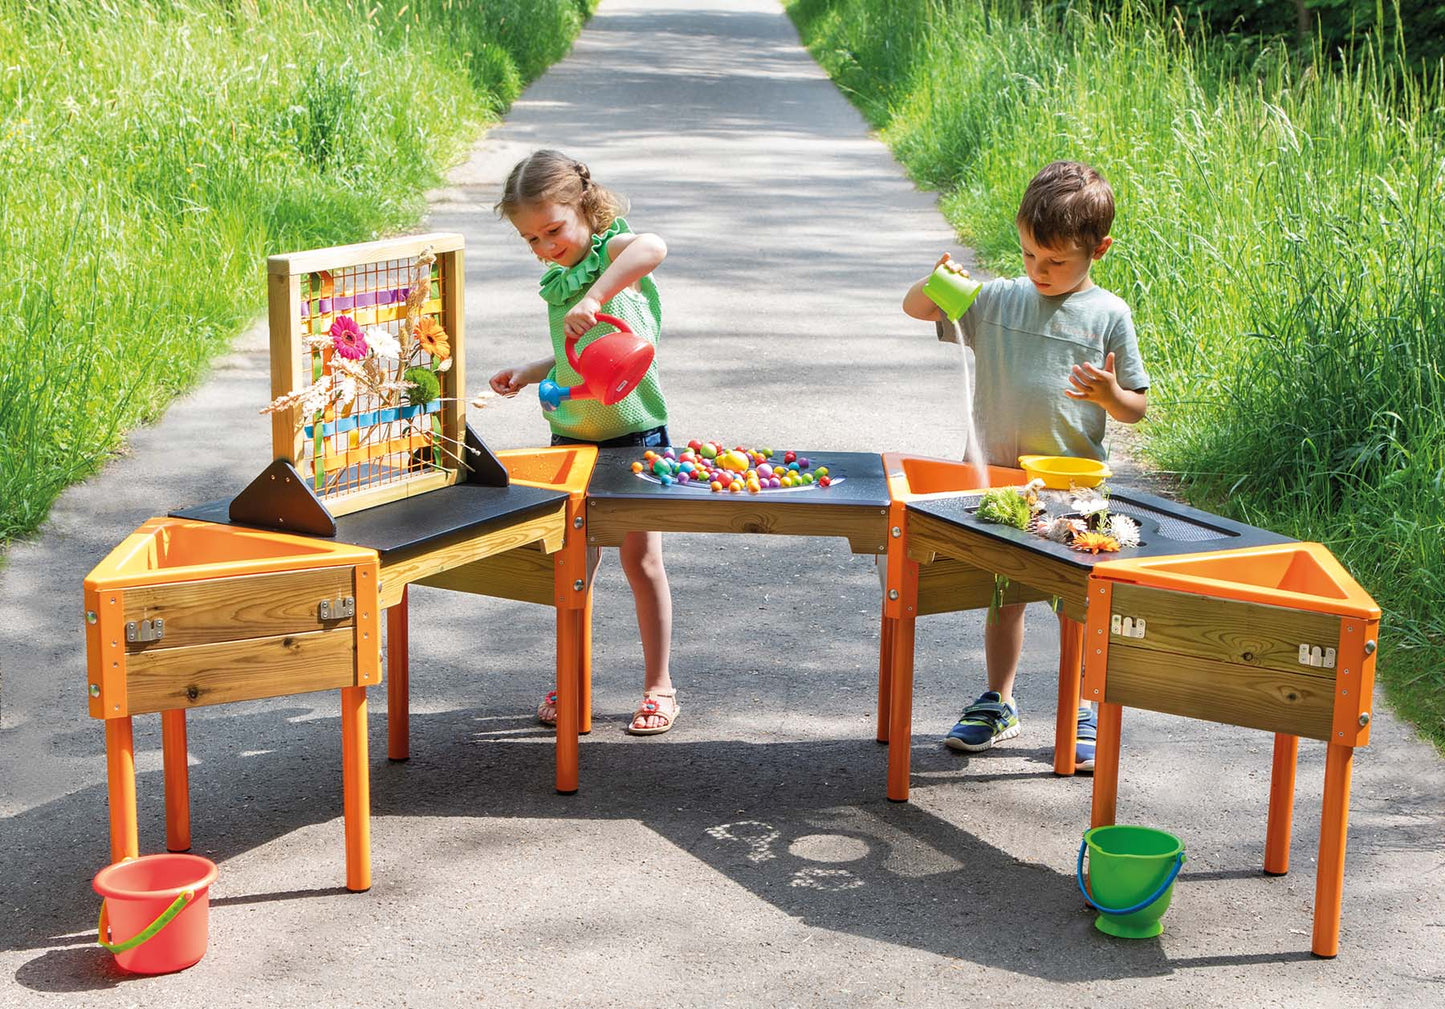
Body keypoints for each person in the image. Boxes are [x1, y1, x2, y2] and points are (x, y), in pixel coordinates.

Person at [901, 160, 1149, 770]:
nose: (1039, 271)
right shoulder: (999, 300)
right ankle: (1000, 700)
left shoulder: (1108, 315)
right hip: (1001, 482)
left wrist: (1108, 396)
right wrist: (934, 283)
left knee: (1078, 603)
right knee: (1002, 592)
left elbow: (1136, 407)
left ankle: (1082, 706)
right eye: (1030, 255)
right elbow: (917, 310)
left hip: (1075, 491)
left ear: (1099, 249)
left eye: (1056, 261)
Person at [490, 149, 678, 735]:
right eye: (531, 240)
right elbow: (580, 354)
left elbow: (655, 247)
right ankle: (574, 678)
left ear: (584, 208)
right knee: (574, 566)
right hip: (570, 437)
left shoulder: (610, 251)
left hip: (635, 435)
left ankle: (659, 685)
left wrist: (596, 294)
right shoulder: (558, 278)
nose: (546, 247)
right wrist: (530, 370)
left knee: (641, 561)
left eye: (554, 230)